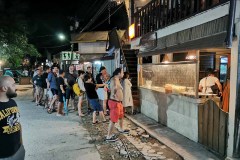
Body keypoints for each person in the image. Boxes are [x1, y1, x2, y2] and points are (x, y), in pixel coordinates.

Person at [0, 76, 25, 160]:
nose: (16, 87)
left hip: (18, 150)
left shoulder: (12, 102)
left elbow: (18, 124)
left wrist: (21, 143)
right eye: (13, 85)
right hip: (3, 156)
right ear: (4, 88)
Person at [106, 68, 129, 142]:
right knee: (113, 120)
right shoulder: (114, 79)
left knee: (121, 116)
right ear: (119, 73)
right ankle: (109, 136)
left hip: (119, 102)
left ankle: (121, 128)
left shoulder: (117, 79)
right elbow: (114, 87)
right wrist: (113, 93)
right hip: (114, 102)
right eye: (122, 72)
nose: (123, 74)